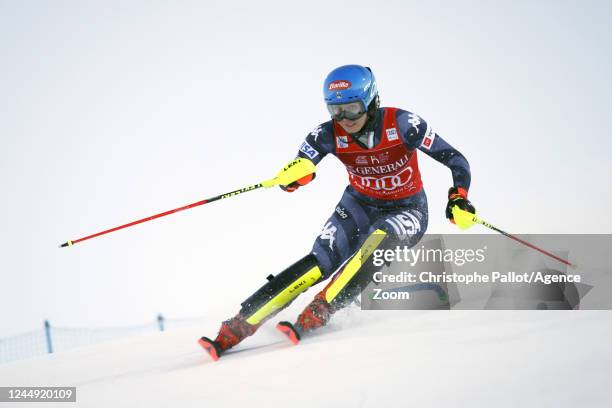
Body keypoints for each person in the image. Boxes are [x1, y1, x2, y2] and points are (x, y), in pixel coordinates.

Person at [198, 64, 475, 361]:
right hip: (359, 205)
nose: (345, 119)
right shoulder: (326, 134)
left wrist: (458, 197)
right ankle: (238, 326)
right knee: (320, 262)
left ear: (371, 101)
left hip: (407, 209)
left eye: (353, 109)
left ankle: (321, 309)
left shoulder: (405, 123)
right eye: (335, 110)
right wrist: (294, 178)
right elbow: (302, 166)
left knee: (377, 242)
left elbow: (456, 159)